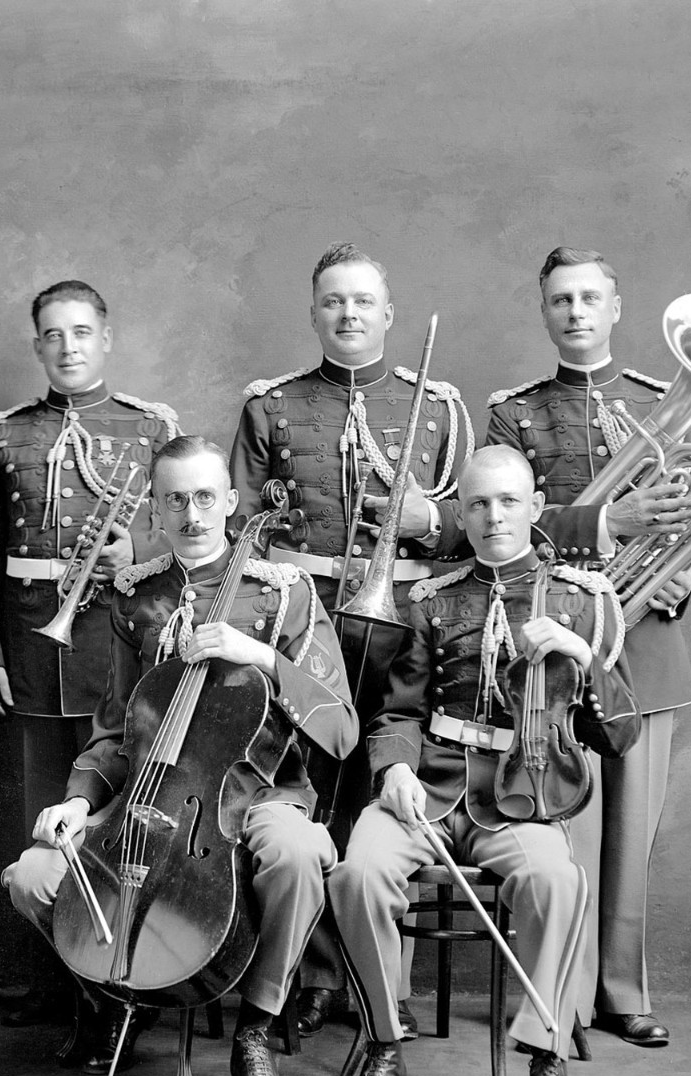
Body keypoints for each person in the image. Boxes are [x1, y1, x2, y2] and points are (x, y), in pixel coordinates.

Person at [5, 435, 358, 1076]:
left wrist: (257, 653)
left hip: (255, 793)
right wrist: (79, 804)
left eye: (204, 497)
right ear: (156, 511)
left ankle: (255, 1027)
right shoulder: (137, 597)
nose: (192, 515)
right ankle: (119, 1000)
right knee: (31, 876)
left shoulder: (285, 594)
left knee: (301, 854)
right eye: (175, 500)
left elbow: (340, 728)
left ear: (229, 501)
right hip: (151, 796)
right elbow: (116, 729)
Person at [329, 446, 639, 1076]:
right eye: (477, 503)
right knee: (357, 871)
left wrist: (582, 658)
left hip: (521, 797)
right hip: (428, 789)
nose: (493, 516)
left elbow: (618, 735)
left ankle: (546, 1064)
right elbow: (398, 714)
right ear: (460, 515)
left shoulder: (581, 601)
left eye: (508, 502)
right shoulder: (432, 599)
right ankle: (384, 1041)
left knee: (556, 880)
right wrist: (393, 773)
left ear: (535, 509)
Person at [229, 241, 475, 1035]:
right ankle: (312, 976)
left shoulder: (436, 407)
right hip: (308, 619)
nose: (349, 314)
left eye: (363, 301)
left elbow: (468, 531)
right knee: (312, 786)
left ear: (388, 313)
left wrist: (426, 520)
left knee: (384, 787)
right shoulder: (272, 405)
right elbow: (245, 529)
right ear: (313, 313)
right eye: (333, 301)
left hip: (406, 621)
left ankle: (376, 983)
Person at [485, 247, 691, 1047]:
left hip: (643, 639)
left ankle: (621, 992)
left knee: (631, 835)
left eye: (588, 298)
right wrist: (612, 523)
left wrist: (681, 579)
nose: (574, 312)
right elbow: (508, 525)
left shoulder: (662, 402)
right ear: (544, 313)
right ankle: (562, 1002)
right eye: (559, 300)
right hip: (554, 639)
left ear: (615, 307)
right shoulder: (517, 414)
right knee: (567, 825)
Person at [0, 279, 179, 1026]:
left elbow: (185, 524)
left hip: (115, 647)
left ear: (106, 338)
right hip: (26, 647)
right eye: (53, 335)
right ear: (37, 346)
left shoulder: (149, 430)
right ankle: (52, 982)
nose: (68, 347)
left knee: (115, 813)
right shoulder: (3, 434)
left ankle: (115, 980)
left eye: (81, 332)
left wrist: (138, 546)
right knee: (34, 814)